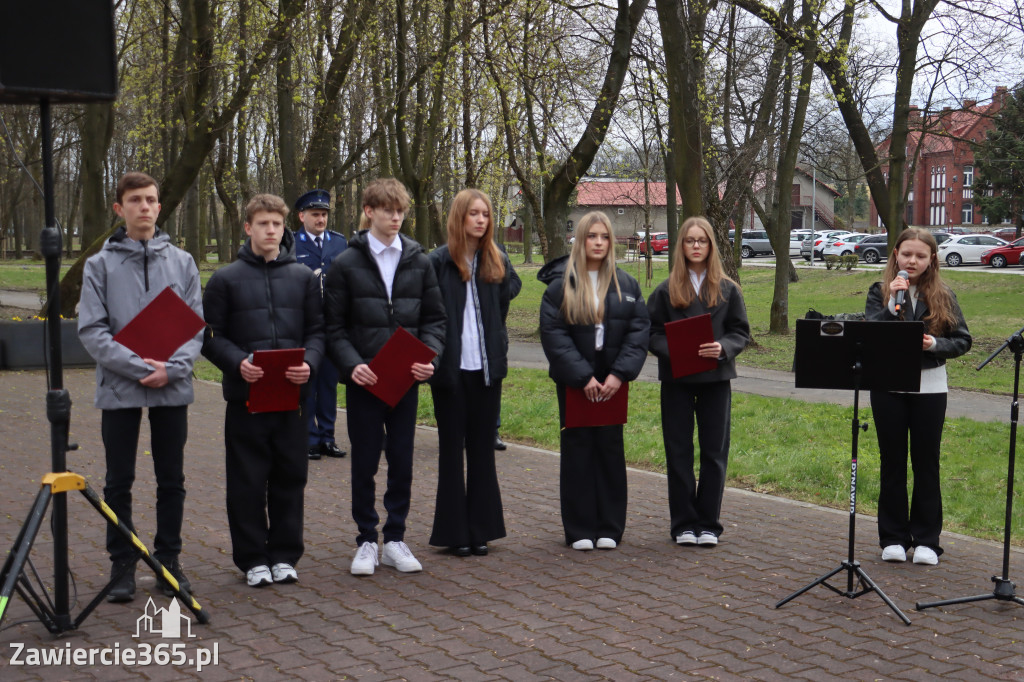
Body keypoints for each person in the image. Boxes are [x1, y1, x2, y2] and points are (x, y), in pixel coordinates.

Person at [78, 171, 203, 602]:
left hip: (172, 384)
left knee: (172, 477)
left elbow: (195, 327)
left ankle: (168, 560)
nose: (145, 207)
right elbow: (92, 331)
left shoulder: (183, 262)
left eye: (151, 199)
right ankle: (123, 563)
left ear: (159, 207)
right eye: (135, 200)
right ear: (120, 208)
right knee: (119, 480)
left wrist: (174, 368)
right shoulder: (99, 265)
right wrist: (137, 367)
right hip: (119, 386)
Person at [323, 178, 446, 576]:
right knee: (364, 459)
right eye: (388, 210)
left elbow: (435, 320)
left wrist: (431, 358)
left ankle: (395, 538)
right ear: (369, 211)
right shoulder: (345, 263)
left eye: (401, 211)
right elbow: (333, 327)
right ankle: (365, 540)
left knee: (402, 458)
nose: (396, 217)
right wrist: (351, 364)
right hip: (365, 379)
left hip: (405, 379)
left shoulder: (419, 260)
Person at [201, 194, 324, 587]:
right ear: (248, 227)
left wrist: (312, 364)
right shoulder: (225, 279)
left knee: (291, 478)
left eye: (277, 224)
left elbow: (318, 332)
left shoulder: (304, 278)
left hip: (293, 399)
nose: (271, 231)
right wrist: (237, 362)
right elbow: (209, 338)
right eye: (263, 224)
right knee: (247, 481)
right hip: (246, 400)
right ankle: (253, 558)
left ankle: (286, 555)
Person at [538, 211, 649, 551]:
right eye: (592, 236)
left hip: (613, 379)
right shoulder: (561, 286)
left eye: (604, 237)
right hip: (576, 382)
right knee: (578, 450)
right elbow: (554, 335)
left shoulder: (627, 285)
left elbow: (638, 332)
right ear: (581, 241)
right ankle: (580, 528)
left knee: (610, 449)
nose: (598, 242)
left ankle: (609, 527)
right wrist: (582, 376)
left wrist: (618, 374)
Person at [865, 227, 971, 566]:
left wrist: (935, 344)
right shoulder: (879, 291)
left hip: (929, 387)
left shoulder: (944, 295)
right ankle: (893, 537)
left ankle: (927, 540)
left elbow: (963, 340)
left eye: (920, 256)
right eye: (907, 254)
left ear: (931, 260)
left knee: (926, 463)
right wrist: (889, 306)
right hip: (888, 387)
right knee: (892, 462)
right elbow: (869, 334)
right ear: (896, 254)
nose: (912, 260)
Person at [647, 216, 750, 548]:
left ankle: (708, 524)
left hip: (715, 379)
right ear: (681, 246)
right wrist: (674, 351)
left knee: (714, 452)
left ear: (710, 246)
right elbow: (650, 333)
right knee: (678, 452)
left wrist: (723, 348)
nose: (695, 246)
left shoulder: (728, 288)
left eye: (701, 241)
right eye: (689, 241)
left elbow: (740, 332)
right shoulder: (665, 290)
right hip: (677, 379)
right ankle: (683, 524)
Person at [428, 189, 516, 557]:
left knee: (482, 450)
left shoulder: (497, 260)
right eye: (473, 214)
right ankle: (453, 532)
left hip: (485, 371)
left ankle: (481, 529)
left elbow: (501, 311)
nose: (481, 220)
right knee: (451, 450)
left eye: (486, 214)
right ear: (459, 217)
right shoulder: (437, 261)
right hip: (450, 371)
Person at [293, 188, 348, 461]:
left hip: (333, 323)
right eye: (315, 214)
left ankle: (328, 436)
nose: (321, 219)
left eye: (324, 214)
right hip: (305, 324)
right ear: (302, 216)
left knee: (329, 382)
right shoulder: (292, 243)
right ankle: (309, 437)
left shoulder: (339, 243)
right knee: (309, 382)